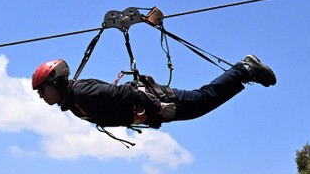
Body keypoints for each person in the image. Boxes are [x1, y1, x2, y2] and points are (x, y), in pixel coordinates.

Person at [31, 55, 275, 129]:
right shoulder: (74, 102)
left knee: (203, 99)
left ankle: (245, 68)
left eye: (43, 90)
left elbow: (127, 95)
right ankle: (244, 71)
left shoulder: (83, 92)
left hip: (156, 100)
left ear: (56, 83)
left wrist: (156, 107)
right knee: (202, 104)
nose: (42, 97)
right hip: (152, 109)